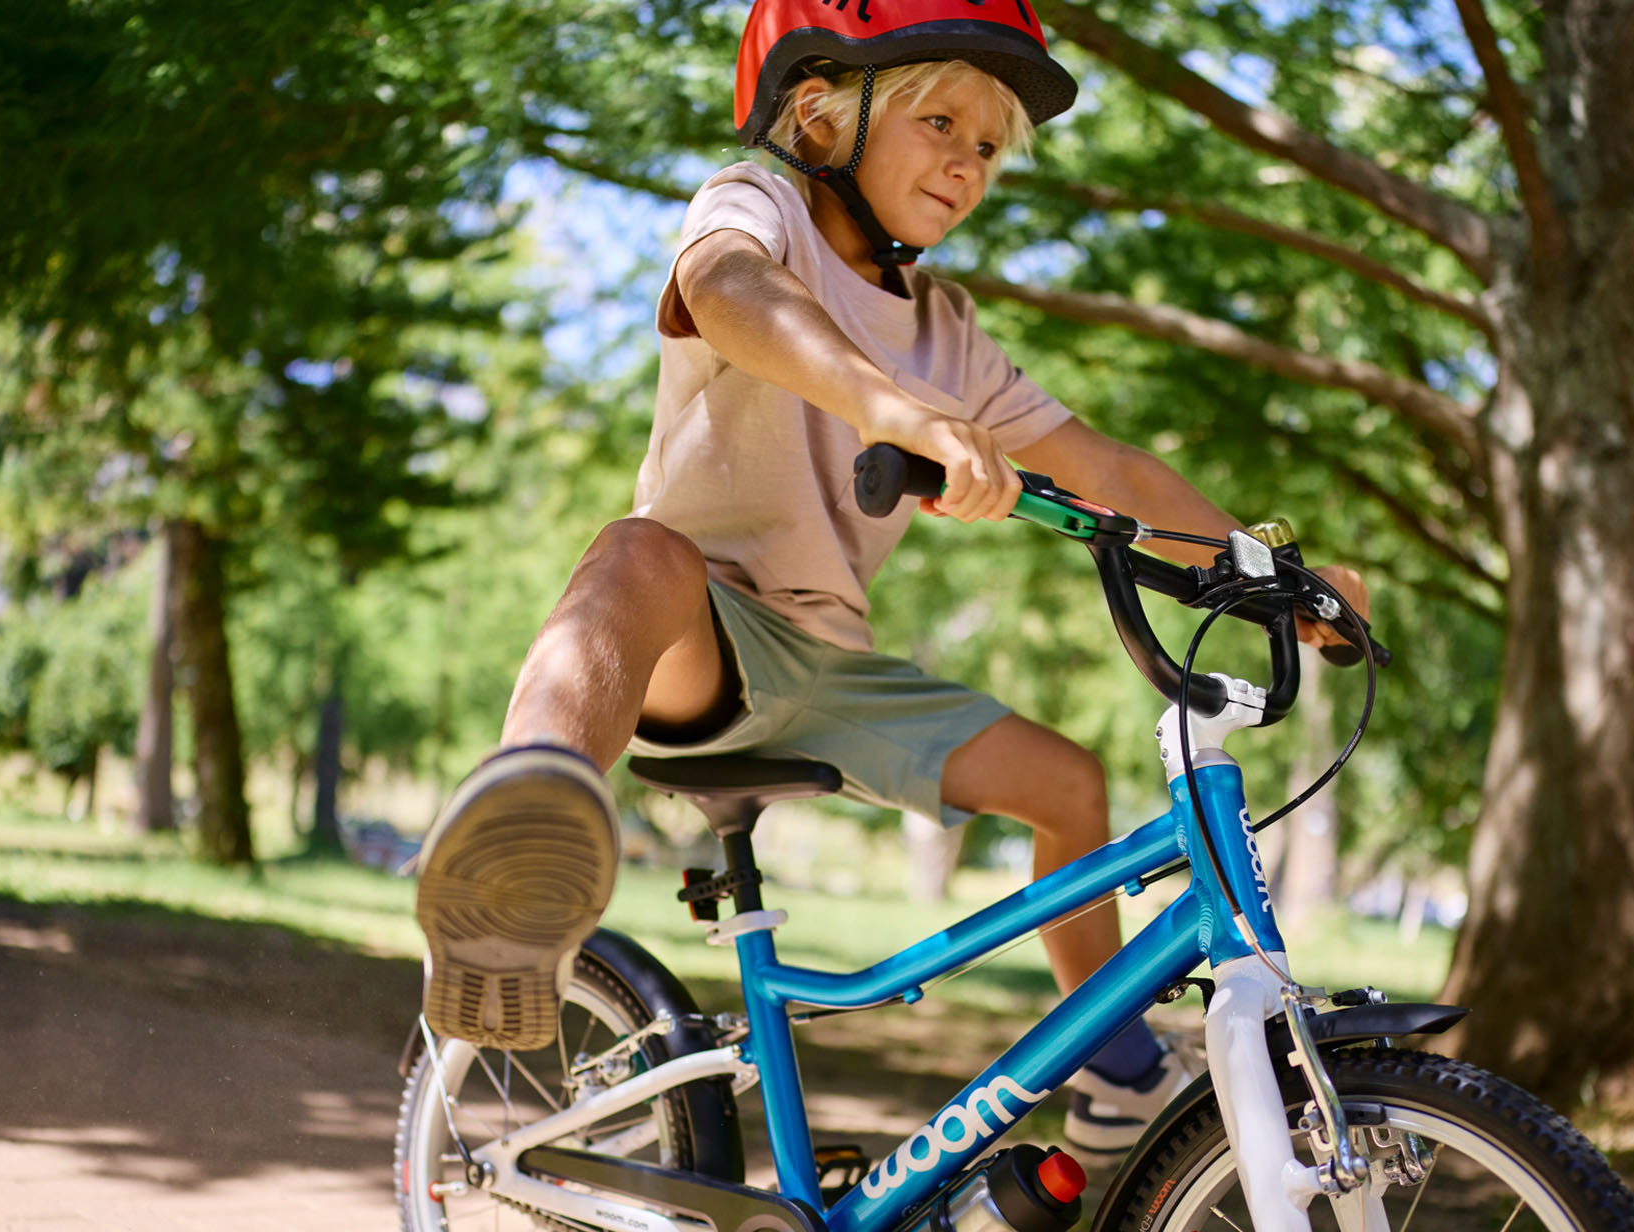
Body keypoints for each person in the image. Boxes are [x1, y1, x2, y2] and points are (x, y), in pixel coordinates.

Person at [415, 0, 1366, 1154]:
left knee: (1067, 783)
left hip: (831, 665)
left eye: (989, 146)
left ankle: (1116, 1071)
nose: (967, 163)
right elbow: (728, 291)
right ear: (820, 114)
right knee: (637, 548)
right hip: (693, 635)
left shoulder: (946, 331)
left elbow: (1108, 468)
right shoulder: (758, 207)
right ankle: (516, 850)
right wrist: (891, 408)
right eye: (939, 122)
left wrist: (1278, 580)